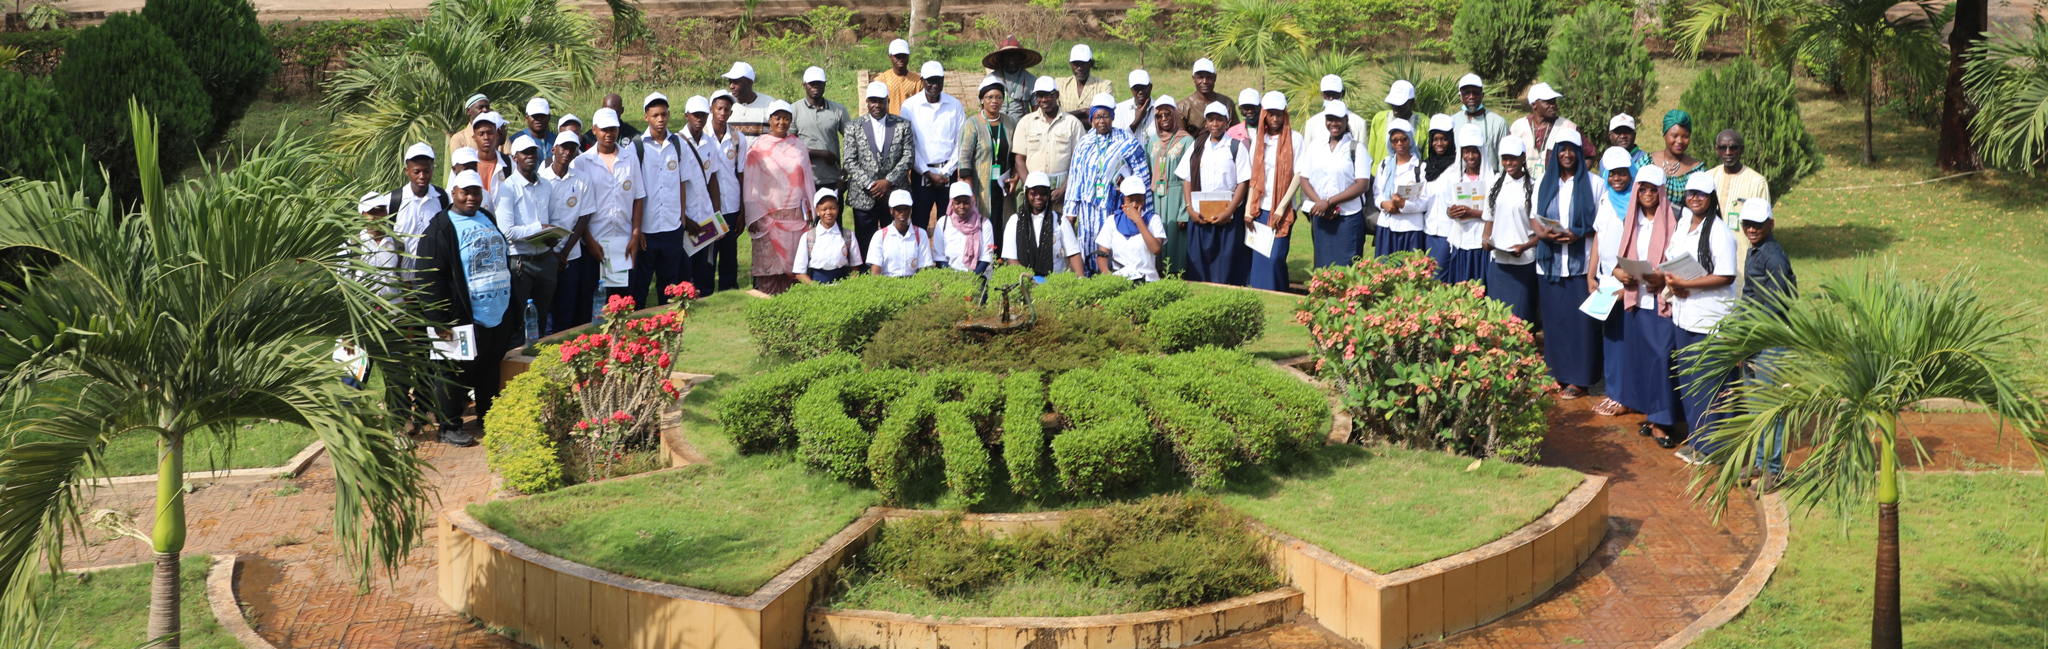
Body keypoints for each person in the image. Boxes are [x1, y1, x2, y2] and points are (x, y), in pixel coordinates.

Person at [415, 169, 514, 447]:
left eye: (476, 192)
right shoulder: (440, 229)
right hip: (458, 316)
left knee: (488, 368)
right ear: (453, 193)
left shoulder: (486, 217)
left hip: (494, 312)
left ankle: (488, 416)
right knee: (451, 372)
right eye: (465, 192)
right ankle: (448, 426)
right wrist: (439, 319)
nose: (471, 197)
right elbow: (428, 277)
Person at [1665, 172, 1739, 463]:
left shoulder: (1720, 232)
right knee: (1690, 381)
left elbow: (1726, 275)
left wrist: (1687, 284)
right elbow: (1672, 259)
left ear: (1711, 198)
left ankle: (1713, 446)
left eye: (1701, 194)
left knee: (1710, 384)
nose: (1694, 198)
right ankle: (1697, 440)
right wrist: (1673, 283)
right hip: (1684, 317)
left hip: (1710, 320)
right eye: (1691, 193)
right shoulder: (1684, 224)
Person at [1608, 165, 1682, 444]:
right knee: (1642, 360)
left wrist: (1662, 277)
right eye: (1643, 190)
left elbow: (1680, 260)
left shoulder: (1674, 221)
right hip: (1637, 301)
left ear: (1661, 192)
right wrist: (1619, 273)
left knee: (1662, 358)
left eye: (1653, 190)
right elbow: (1620, 258)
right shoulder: (1633, 221)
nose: (1648, 195)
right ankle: (1652, 415)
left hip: (1662, 301)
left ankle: (1663, 421)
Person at [1531, 128, 1601, 400]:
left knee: (1580, 324)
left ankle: (1579, 379)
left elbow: (1601, 225)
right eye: (1562, 149)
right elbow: (1534, 217)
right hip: (1549, 263)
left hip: (1580, 265)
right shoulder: (1543, 182)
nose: (1567, 155)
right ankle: (1556, 373)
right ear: (1555, 153)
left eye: (1572, 149)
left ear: (1580, 153)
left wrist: (1578, 233)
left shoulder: (1594, 183)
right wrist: (1543, 234)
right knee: (1555, 321)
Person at [630, 92, 714, 305]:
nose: (660, 119)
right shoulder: (637, 147)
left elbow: (682, 183)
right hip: (648, 229)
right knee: (641, 284)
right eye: (655, 115)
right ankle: (638, 322)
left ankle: (668, 321)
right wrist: (637, 228)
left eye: (664, 114)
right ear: (646, 117)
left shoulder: (678, 144)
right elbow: (634, 193)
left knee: (669, 284)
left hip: (672, 226)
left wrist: (682, 219)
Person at [1735, 200, 1796, 486]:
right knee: (1756, 407)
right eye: (1747, 224)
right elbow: (1750, 296)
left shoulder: (1773, 255)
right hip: (1753, 337)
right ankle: (1761, 462)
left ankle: (1774, 467)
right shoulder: (1755, 250)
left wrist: (1750, 341)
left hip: (1768, 340)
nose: (1751, 229)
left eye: (1757, 224)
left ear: (1770, 224)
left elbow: (1777, 302)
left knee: (1769, 407)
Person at [1063, 93, 1151, 273]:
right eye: (1097, 117)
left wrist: (1143, 209)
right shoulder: (1084, 144)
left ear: (1113, 117)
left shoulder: (1127, 141)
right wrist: (1070, 215)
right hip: (1088, 212)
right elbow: (1075, 180)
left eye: (1105, 116)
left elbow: (1142, 176)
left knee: (1114, 254)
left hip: (1116, 208)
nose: (1101, 121)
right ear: (1091, 119)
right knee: (1088, 252)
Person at [569, 108, 645, 301]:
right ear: (594, 130)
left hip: (622, 242)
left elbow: (638, 197)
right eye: (604, 129)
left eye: (613, 129)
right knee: (594, 302)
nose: (609, 134)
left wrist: (635, 234)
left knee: (620, 302)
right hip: (594, 243)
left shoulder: (630, 158)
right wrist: (589, 240)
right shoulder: (582, 162)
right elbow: (578, 209)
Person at [743, 101, 818, 295]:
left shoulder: (798, 145)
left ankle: (793, 306)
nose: (781, 122)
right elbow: (750, 184)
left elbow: (807, 180)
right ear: (770, 120)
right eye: (777, 118)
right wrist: (753, 216)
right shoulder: (758, 147)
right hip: (768, 218)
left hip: (796, 216)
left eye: (786, 118)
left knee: (795, 270)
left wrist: (811, 208)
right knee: (769, 271)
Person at [492, 134, 564, 334]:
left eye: (533, 152)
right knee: (521, 319)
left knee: (542, 315)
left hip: (545, 258)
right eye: (525, 153)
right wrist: (538, 228)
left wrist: (552, 234)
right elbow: (507, 231)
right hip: (521, 263)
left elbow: (554, 218)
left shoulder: (546, 185)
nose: (530, 156)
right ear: (515, 157)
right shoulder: (507, 188)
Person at [1177, 101, 1252, 285]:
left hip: (1227, 217)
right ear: (1206, 123)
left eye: (1219, 120)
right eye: (1211, 120)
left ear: (1227, 122)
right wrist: (1190, 209)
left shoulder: (1236, 147)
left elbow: (1243, 182)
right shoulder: (1197, 146)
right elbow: (1187, 178)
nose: (1215, 124)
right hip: (1200, 215)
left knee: (1225, 265)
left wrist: (1229, 211)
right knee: (1199, 265)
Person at [1590, 146, 1638, 417]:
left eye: (1622, 173)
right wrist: (1591, 273)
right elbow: (1599, 236)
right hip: (1606, 280)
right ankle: (1614, 392)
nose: (1617, 179)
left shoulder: (1637, 202)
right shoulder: (1606, 198)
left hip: (1628, 281)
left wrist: (1625, 281)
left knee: (1627, 340)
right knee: (1611, 338)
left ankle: (1625, 396)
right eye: (1612, 174)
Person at [842, 81, 916, 254]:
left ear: (887, 101)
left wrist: (888, 181)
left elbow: (908, 157)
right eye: (872, 101)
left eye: (880, 101)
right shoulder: (853, 126)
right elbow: (849, 160)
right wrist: (870, 184)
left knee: (893, 242)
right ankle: (867, 270)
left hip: (894, 193)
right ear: (867, 102)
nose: (876, 105)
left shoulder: (902, 125)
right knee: (865, 243)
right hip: (864, 195)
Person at [1296, 100, 1371, 269]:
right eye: (1330, 119)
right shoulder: (1316, 146)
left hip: (1348, 218)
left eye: (1338, 119)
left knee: (1347, 267)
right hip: (1321, 216)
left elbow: (1362, 184)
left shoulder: (1356, 148)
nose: (1333, 124)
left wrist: (1329, 202)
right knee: (1323, 266)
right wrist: (1320, 203)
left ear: (1346, 120)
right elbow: (1304, 178)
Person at [689, 93, 749, 293]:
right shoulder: (702, 136)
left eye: (726, 109)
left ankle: (728, 291)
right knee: (707, 255)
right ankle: (705, 291)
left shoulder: (738, 138)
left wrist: (742, 211)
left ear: (731, 112)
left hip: (731, 205)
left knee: (729, 253)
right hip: (707, 207)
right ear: (711, 110)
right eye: (719, 108)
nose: (722, 113)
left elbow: (741, 174)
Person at [1243, 91, 1301, 291]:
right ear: (1264, 115)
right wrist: (1248, 210)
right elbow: (1254, 177)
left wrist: (1281, 208)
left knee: (1276, 257)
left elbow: (1298, 175)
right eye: (1271, 114)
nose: (1275, 118)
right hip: (1260, 208)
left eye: (1279, 114)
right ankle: (1265, 295)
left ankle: (1279, 292)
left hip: (1282, 208)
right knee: (1261, 257)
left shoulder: (1295, 139)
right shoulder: (1259, 141)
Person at [543, 132, 600, 333]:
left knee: (567, 305)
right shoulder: (542, 179)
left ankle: (566, 345)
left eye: (571, 148)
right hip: (546, 253)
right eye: (563, 147)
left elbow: (583, 218)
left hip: (571, 255)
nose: (567, 152)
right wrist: (552, 252)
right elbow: (540, 219)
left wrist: (565, 252)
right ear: (554, 149)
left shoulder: (582, 179)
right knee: (547, 306)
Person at [1481, 138, 1540, 326]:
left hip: (1524, 262)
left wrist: (1525, 246)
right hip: (1499, 262)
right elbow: (1489, 218)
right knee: (1496, 319)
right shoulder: (1495, 184)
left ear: (1523, 158)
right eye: (1505, 159)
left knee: (1521, 319)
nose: (1509, 163)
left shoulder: (1534, 186)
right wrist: (1486, 240)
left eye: (1513, 158)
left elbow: (1540, 230)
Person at [902, 60, 966, 228]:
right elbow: (909, 144)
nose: (934, 85)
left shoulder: (955, 106)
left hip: (948, 174)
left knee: (948, 225)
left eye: (938, 80)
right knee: (919, 223)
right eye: (930, 81)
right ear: (922, 81)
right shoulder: (909, 107)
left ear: (943, 80)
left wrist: (946, 171)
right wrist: (926, 172)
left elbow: (961, 142)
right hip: (921, 175)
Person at [1710, 128, 1771, 291]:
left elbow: (1764, 227)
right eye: (1723, 148)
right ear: (1717, 149)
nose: (1728, 152)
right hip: (1711, 255)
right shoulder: (1709, 178)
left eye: (1733, 147)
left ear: (1742, 149)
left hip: (1742, 258)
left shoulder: (1756, 182)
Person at [957, 76, 1018, 234]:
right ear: (982, 100)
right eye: (989, 97)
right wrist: (969, 190)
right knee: (983, 227)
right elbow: (964, 159)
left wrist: (1015, 177)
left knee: (1003, 224)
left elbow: (1016, 155)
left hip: (1003, 186)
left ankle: (1000, 252)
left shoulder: (1010, 123)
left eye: (998, 97)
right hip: (980, 187)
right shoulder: (972, 124)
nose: (994, 101)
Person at [1435, 123, 1493, 283]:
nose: (1470, 156)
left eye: (1474, 151)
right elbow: (1447, 205)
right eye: (1466, 152)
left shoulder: (1491, 179)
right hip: (1460, 240)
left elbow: (1495, 213)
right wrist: (1451, 212)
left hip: (1481, 242)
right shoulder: (1452, 177)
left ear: (1481, 153)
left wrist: (1473, 213)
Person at [1013, 76, 1086, 203]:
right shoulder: (1026, 122)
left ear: (1057, 95)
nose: (1044, 100)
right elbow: (1019, 159)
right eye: (1040, 96)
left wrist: (1064, 189)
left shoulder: (1072, 123)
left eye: (1048, 95)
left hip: (1062, 192)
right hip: (1033, 193)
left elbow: (1080, 162)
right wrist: (1030, 188)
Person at [1143, 97, 1194, 275]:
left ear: (1175, 115)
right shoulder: (1152, 141)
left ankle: (1175, 276)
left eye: (1167, 114)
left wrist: (1184, 211)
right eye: (1159, 116)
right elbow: (1147, 172)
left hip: (1176, 196)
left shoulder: (1186, 141)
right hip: (1156, 196)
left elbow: (1189, 177)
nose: (1163, 119)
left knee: (1174, 239)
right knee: (1156, 235)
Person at [1003, 171, 1085, 276]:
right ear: (1026, 193)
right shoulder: (1014, 221)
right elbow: (1011, 259)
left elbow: (1073, 254)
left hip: (1055, 281)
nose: (1038, 197)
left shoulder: (1060, 221)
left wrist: (1081, 279)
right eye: (1033, 193)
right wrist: (1031, 280)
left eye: (1043, 193)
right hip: (1025, 280)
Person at [391, 143, 450, 276]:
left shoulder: (442, 198)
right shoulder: (394, 200)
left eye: (426, 171)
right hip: (402, 276)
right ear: (407, 171)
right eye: (416, 172)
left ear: (432, 169)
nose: (422, 176)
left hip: (433, 274)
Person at [1372, 119, 1429, 257]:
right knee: (1385, 267)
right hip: (1387, 225)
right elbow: (1377, 192)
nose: (1399, 144)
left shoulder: (1420, 167)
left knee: (1410, 267)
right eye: (1395, 140)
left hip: (1411, 228)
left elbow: (1426, 200)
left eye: (1404, 139)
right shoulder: (1384, 165)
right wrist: (1384, 204)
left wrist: (1403, 205)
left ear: (1410, 140)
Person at [793, 66, 851, 195]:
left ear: (825, 84)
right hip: (804, 179)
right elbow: (788, 147)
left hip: (832, 179)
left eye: (819, 83)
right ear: (804, 85)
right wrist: (821, 154)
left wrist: (844, 174)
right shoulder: (794, 110)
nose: (816, 87)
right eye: (812, 84)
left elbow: (852, 142)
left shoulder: (838, 110)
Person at [1096, 175, 1166, 281]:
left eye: (1139, 200)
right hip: (1120, 280)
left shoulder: (1153, 219)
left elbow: (1156, 249)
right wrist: (1107, 275)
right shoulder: (1112, 221)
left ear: (1144, 200)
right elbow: (1102, 253)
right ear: (1123, 200)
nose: (1134, 205)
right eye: (1130, 200)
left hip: (1147, 279)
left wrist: (1138, 221)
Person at [790, 188, 864, 284]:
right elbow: (799, 273)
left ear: (838, 209)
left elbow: (855, 267)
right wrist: (815, 287)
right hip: (816, 285)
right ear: (817, 211)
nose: (828, 212)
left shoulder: (848, 235)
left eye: (832, 208)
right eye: (824, 209)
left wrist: (848, 285)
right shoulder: (808, 237)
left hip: (843, 284)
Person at [1507, 82, 1577, 181]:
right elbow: (1507, 156)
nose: (1553, 105)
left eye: (1554, 101)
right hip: (1523, 185)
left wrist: (1570, 179)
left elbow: (1589, 155)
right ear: (1534, 105)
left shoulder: (1568, 127)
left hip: (1555, 186)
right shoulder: (1518, 127)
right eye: (1548, 102)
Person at [1420, 114, 1460, 273]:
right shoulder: (1425, 167)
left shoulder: (1457, 166)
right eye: (1435, 139)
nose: (1439, 144)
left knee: (1439, 275)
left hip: (1448, 232)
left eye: (1444, 139)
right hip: (1427, 231)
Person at [933, 180, 997, 273]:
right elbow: (939, 257)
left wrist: (972, 278)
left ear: (971, 202)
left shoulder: (984, 224)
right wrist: (951, 277)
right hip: (949, 277)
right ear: (951, 204)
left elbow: (987, 257)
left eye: (966, 202)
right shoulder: (943, 223)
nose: (962, 206)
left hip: (978, 276)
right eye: (957, 203)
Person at [867, 189, 934, 277]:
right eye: (898, 209)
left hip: (914, 282)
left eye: (906, 209)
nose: (902, 213)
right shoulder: (880, 236)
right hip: (887, 282)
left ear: (910, 210)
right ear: (891, 211)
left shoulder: (921, 234)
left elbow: (925, 268)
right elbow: (875, 272)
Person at [1649, 110, 1706, 207]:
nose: (1679, 141)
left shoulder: (1697, 170)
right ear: (1664, 134)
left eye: (1685, 136)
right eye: (1674, 136)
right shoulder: (1647, 162)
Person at [1448, 73, 1508, 165]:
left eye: (1475, 93)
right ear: (1460, 96)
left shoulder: (1498, 123)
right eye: (1466, 93)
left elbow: (1504, 157)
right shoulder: (1452, 122)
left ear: (1482, 95)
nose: (1471, 97)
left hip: (1490, 174)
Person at [982, 37, 1041, 119]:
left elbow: (1036, 109)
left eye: (1014, 56)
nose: (1011, 60)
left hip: (1021, 124)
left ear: (1020, 58)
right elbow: (984, 106)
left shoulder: (1031, 80)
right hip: (997, 123)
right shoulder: (991, 79)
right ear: (1001, 59)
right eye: (1007, 56)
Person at [1367, 80, 1417, 165]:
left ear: (1411, 102)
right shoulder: (1379, 119)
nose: (1395, 107)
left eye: (1400, 104)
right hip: (1380, 172)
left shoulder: (1423, 124)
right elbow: (1370, 153)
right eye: (1393, 103)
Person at [722, 62, 780, 136]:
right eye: (730, 82)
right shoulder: (725, 103)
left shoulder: (769, 104)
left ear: (749, 82)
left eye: (736, 82)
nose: (731, 86)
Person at [1181, 58, 1233, 136]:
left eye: (1209, 77)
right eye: (1200, 77)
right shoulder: (1183, 107)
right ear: (1194, 78)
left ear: (1215, 78)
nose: (1205, 81)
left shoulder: (1227, 103)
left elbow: (1235, 131)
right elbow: (1181, 138)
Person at [1057, 43, 1113, 115]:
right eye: (1076, 64)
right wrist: (1083, 111)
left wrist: (1066, 115)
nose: (1079, 68)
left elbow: (1104, 114)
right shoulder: (1060, 84)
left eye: (1083, 64)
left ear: (1091, 64)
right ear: (1070, 64)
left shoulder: (1103, 86)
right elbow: (1054, 116)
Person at [470, 112, 514, 204]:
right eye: (481, 134)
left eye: (490, 133)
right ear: (474, 137)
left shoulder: (509, 163)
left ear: (497, 135)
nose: (486, 137)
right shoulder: (466, 163)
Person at [876, 38, 925, 115]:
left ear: (908, 56)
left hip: (911, 120)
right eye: (897, 56)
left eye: (903, 56)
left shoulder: (917, 81)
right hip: (890, 121)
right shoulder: (882, 80)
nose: (901, 59)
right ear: (890, 57)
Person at [447, 93, 490, 161]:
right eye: (480, 107)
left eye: (487, 107)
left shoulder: (498, 134)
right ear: (468, 111)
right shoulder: (458, 139)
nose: (485, 110)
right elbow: (459, 165)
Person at [513, 97, 556, 164]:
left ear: (549, 117)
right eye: (535, 116)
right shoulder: (516, 140)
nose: (539, 119)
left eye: (542, 116)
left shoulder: (556, 141)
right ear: (527, 117)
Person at [1115, 70, 1158, 135]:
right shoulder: (1120, 109)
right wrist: (1136, 121)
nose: (1140, 92)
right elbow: (1118, 139)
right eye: (1136, 88)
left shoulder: (1160, 108)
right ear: (1131, 89)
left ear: (1150, 87)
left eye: (1143, 87)